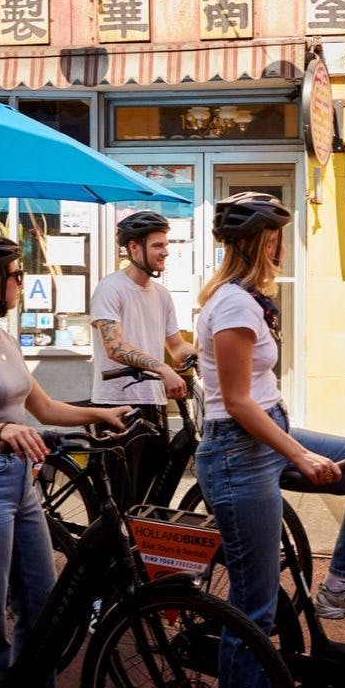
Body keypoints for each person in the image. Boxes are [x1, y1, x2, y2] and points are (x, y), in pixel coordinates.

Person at [194, 191, 345, 688]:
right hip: (237, 454)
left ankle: (339, 584)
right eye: (278, 237)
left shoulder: (245, 300)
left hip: (269, 435)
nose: (282, 246)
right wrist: (300, 454)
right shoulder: (232, 306)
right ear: (265, 243)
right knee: (255, 606)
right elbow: (238, 401)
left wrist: (291, 444)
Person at [0, 232, 129, 685]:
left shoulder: (1, 337)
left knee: (41, 604)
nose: (21, 282)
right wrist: (3, 430)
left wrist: (101, 415)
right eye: (14, 275)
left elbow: (43, 408)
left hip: (21, 484)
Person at [90, 210, 196, 503]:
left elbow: (176, 347)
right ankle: (111, 550)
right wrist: (163, 369)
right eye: (157, 246)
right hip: (117, 406)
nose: (166, 252)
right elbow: (115, 346)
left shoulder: (161, 294)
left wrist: (209, 357)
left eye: (166, 245)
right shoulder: (111, 288)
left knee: (152, 497)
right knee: (123, 499)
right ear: (134, 248)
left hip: (153, 403)